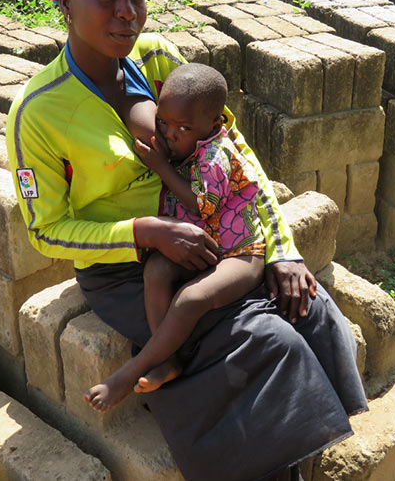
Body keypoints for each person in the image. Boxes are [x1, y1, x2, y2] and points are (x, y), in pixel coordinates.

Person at [6, 0, 368, 480]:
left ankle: (302, 449)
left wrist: (281, 248)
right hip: (127, 269)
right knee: (259, 337)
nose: (127, 12)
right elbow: (47, 228)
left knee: (307, 307)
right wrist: (145, 233)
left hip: (211, 237)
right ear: (65, 1)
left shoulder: (156, 60)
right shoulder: (39, 112)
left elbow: (232, 153)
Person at [84, 63, 267, 412]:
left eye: (183, 128)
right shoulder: (186, 146)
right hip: (206, 247)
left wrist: (161, 167)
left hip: (240, 254)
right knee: (155, 270)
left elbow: (202, 207)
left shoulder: (215, 156)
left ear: (214, 126)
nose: (170, 134)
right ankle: (166, 358)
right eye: (163, 123)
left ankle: (129, 372)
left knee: (189, 299)